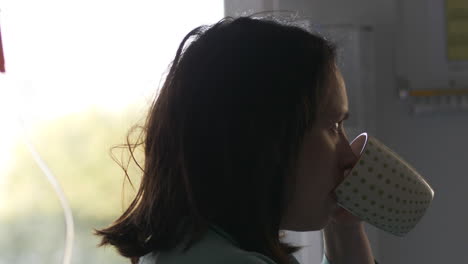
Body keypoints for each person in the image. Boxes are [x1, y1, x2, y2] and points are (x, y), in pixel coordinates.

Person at [94, 15, 378, 264]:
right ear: (264, 139)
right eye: (333, 126)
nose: (349, 157)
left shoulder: (197, 248)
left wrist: (345, 229)